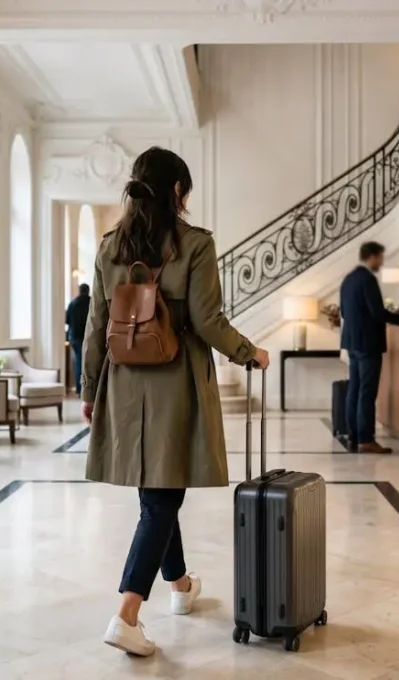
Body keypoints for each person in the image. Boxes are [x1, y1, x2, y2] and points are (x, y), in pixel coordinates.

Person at [80, 146, 270, 657]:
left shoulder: (109, 247)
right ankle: (127, 614)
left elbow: (96, 326)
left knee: (157, 490)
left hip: (123, 383)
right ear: (178, 190)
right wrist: (249, 352)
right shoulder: (196, 244)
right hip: (173, 380)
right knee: (163, 497)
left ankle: (181, 585)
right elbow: (207, 321)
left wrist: (89, 389)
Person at [339, 242, 399, 454]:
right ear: (372, 256)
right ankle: (366, 439)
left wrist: (391, 313)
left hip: (352, 341)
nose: (381, 261)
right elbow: (377, 312)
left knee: (354, 389)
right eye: (380, 257)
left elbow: (344, 312)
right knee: (367, 392)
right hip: (368, 343)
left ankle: (353, 436)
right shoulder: (368, 279)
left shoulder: (349, 278)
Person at [65, 283, 90, 394]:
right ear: (88, 291)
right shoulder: (91, 302)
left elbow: (67, 320)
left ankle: (79, 389)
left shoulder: (73, 303)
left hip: (74, 336)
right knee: (88, 361)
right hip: (87, 336)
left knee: (78, 361)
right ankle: (87, 388)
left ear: (79, 291)